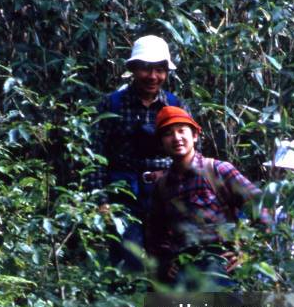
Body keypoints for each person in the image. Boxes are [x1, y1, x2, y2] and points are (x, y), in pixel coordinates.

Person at [88, 35, 190, 270]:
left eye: (159, 70)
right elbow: (96, 155)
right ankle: (126, 304)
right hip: (123, 193)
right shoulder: (111, 104)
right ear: (133, 69)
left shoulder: (175, 106)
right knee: (126, 262)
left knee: (169, 262)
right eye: (145, 69)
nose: (153, 77)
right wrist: (101, 200)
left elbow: (190, 155)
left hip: (166, 193)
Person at [146, 106, 263, 288]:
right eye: (168, 134)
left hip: (220, 264)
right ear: (161, 143)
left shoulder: (218, 170)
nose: (176, 138)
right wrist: (166, 264)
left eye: (181, 131)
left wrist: (247, 251)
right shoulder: (162, 186)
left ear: (194, 136)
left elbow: (262, 208)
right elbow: (155, 236)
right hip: (184, 268)